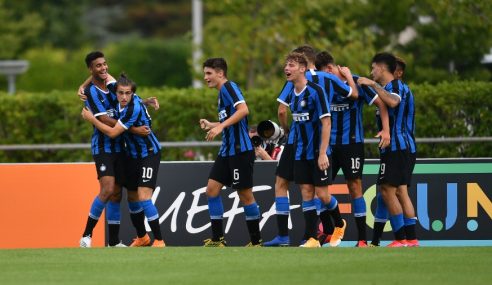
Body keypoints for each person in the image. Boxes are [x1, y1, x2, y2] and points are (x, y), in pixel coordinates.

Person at [264, 45, 353, 247]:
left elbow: (326, 122)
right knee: (306, 191)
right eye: (286, 64)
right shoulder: (292, 93)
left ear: (303, 68)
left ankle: (339, 223)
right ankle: (312, 237)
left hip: (317, 151)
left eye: (291, 65)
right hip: (300, 150)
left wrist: (323, 153)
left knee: (322, 194)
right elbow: (283, 111)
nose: (287, 68)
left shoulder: (316, 90)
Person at [315, 51, 391, 247]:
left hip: (352, 145)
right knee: (319, 189)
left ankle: (362, 239)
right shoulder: (323, 86)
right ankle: (324, 232)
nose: (322, 78)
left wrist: (385, 130)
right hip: (328, 146)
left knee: (355, 187)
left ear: (330, 69)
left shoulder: (356, 82)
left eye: (324, 73)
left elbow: (381, 104)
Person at [81, 73, 165, 247]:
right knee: (131, 196)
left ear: (133, 94)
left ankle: (159, 240)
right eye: (121, 93)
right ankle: (142, 237)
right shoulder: (116, 89)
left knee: (143, 196)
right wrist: (82, 86)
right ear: (116, 91)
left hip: (149, 154)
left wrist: (92, 119)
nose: (124, 96)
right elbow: (102, 73)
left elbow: (112, 132)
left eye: (128, 93)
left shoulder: (131, 108)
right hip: (132, 156)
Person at [199, 58, 262, 247]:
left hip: (240, 151)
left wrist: (220, 127)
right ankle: (218, 240)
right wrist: (214, 125)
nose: (205, 77)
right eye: (204, 73)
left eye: (208, 73)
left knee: (245, 195)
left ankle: (256, 241)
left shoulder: (229, 87)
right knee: (211, 190)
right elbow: (232, 119)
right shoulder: (221, 93)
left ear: (220, 73)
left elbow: (243, 111)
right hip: (227, 151)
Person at [357, 52, 416, 247]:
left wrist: (373, 84)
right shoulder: (390, 88)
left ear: (382, 68)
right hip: (400, 147)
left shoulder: (395, 87)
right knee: (399, 191)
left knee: (388, 190)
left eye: (373, 67)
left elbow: (393, 102)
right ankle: (411, 239)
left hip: (398, 147)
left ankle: (400, 239)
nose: (371, 71)